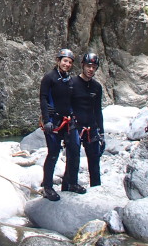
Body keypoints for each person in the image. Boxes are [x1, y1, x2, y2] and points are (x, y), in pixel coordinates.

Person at [39, 48, 83, 201]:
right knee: (53, 153)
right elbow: (43, 99)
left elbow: (72, 101)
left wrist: (75, 118)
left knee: (74, 150)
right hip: (53, 122)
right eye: (65, 61)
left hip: (67, 120)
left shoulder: (70, 80)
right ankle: (47, 186)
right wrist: (47, 120)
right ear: (58, 61)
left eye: (70, 62)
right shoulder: (49, 78)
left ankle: (71, 183)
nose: (67, 64)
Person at [69, 52, 105, 188]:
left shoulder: (97, 87)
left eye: (94, 67)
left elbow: (98, 110)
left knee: (94, 161)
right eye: (89, 66)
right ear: (83, 65)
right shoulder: (72, 83)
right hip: (75, 126)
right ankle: (68, 187)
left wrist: (102, 132)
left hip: (91, 127)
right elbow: (67, 106)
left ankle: (96, 188)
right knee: (73, 159)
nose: (91, 69)